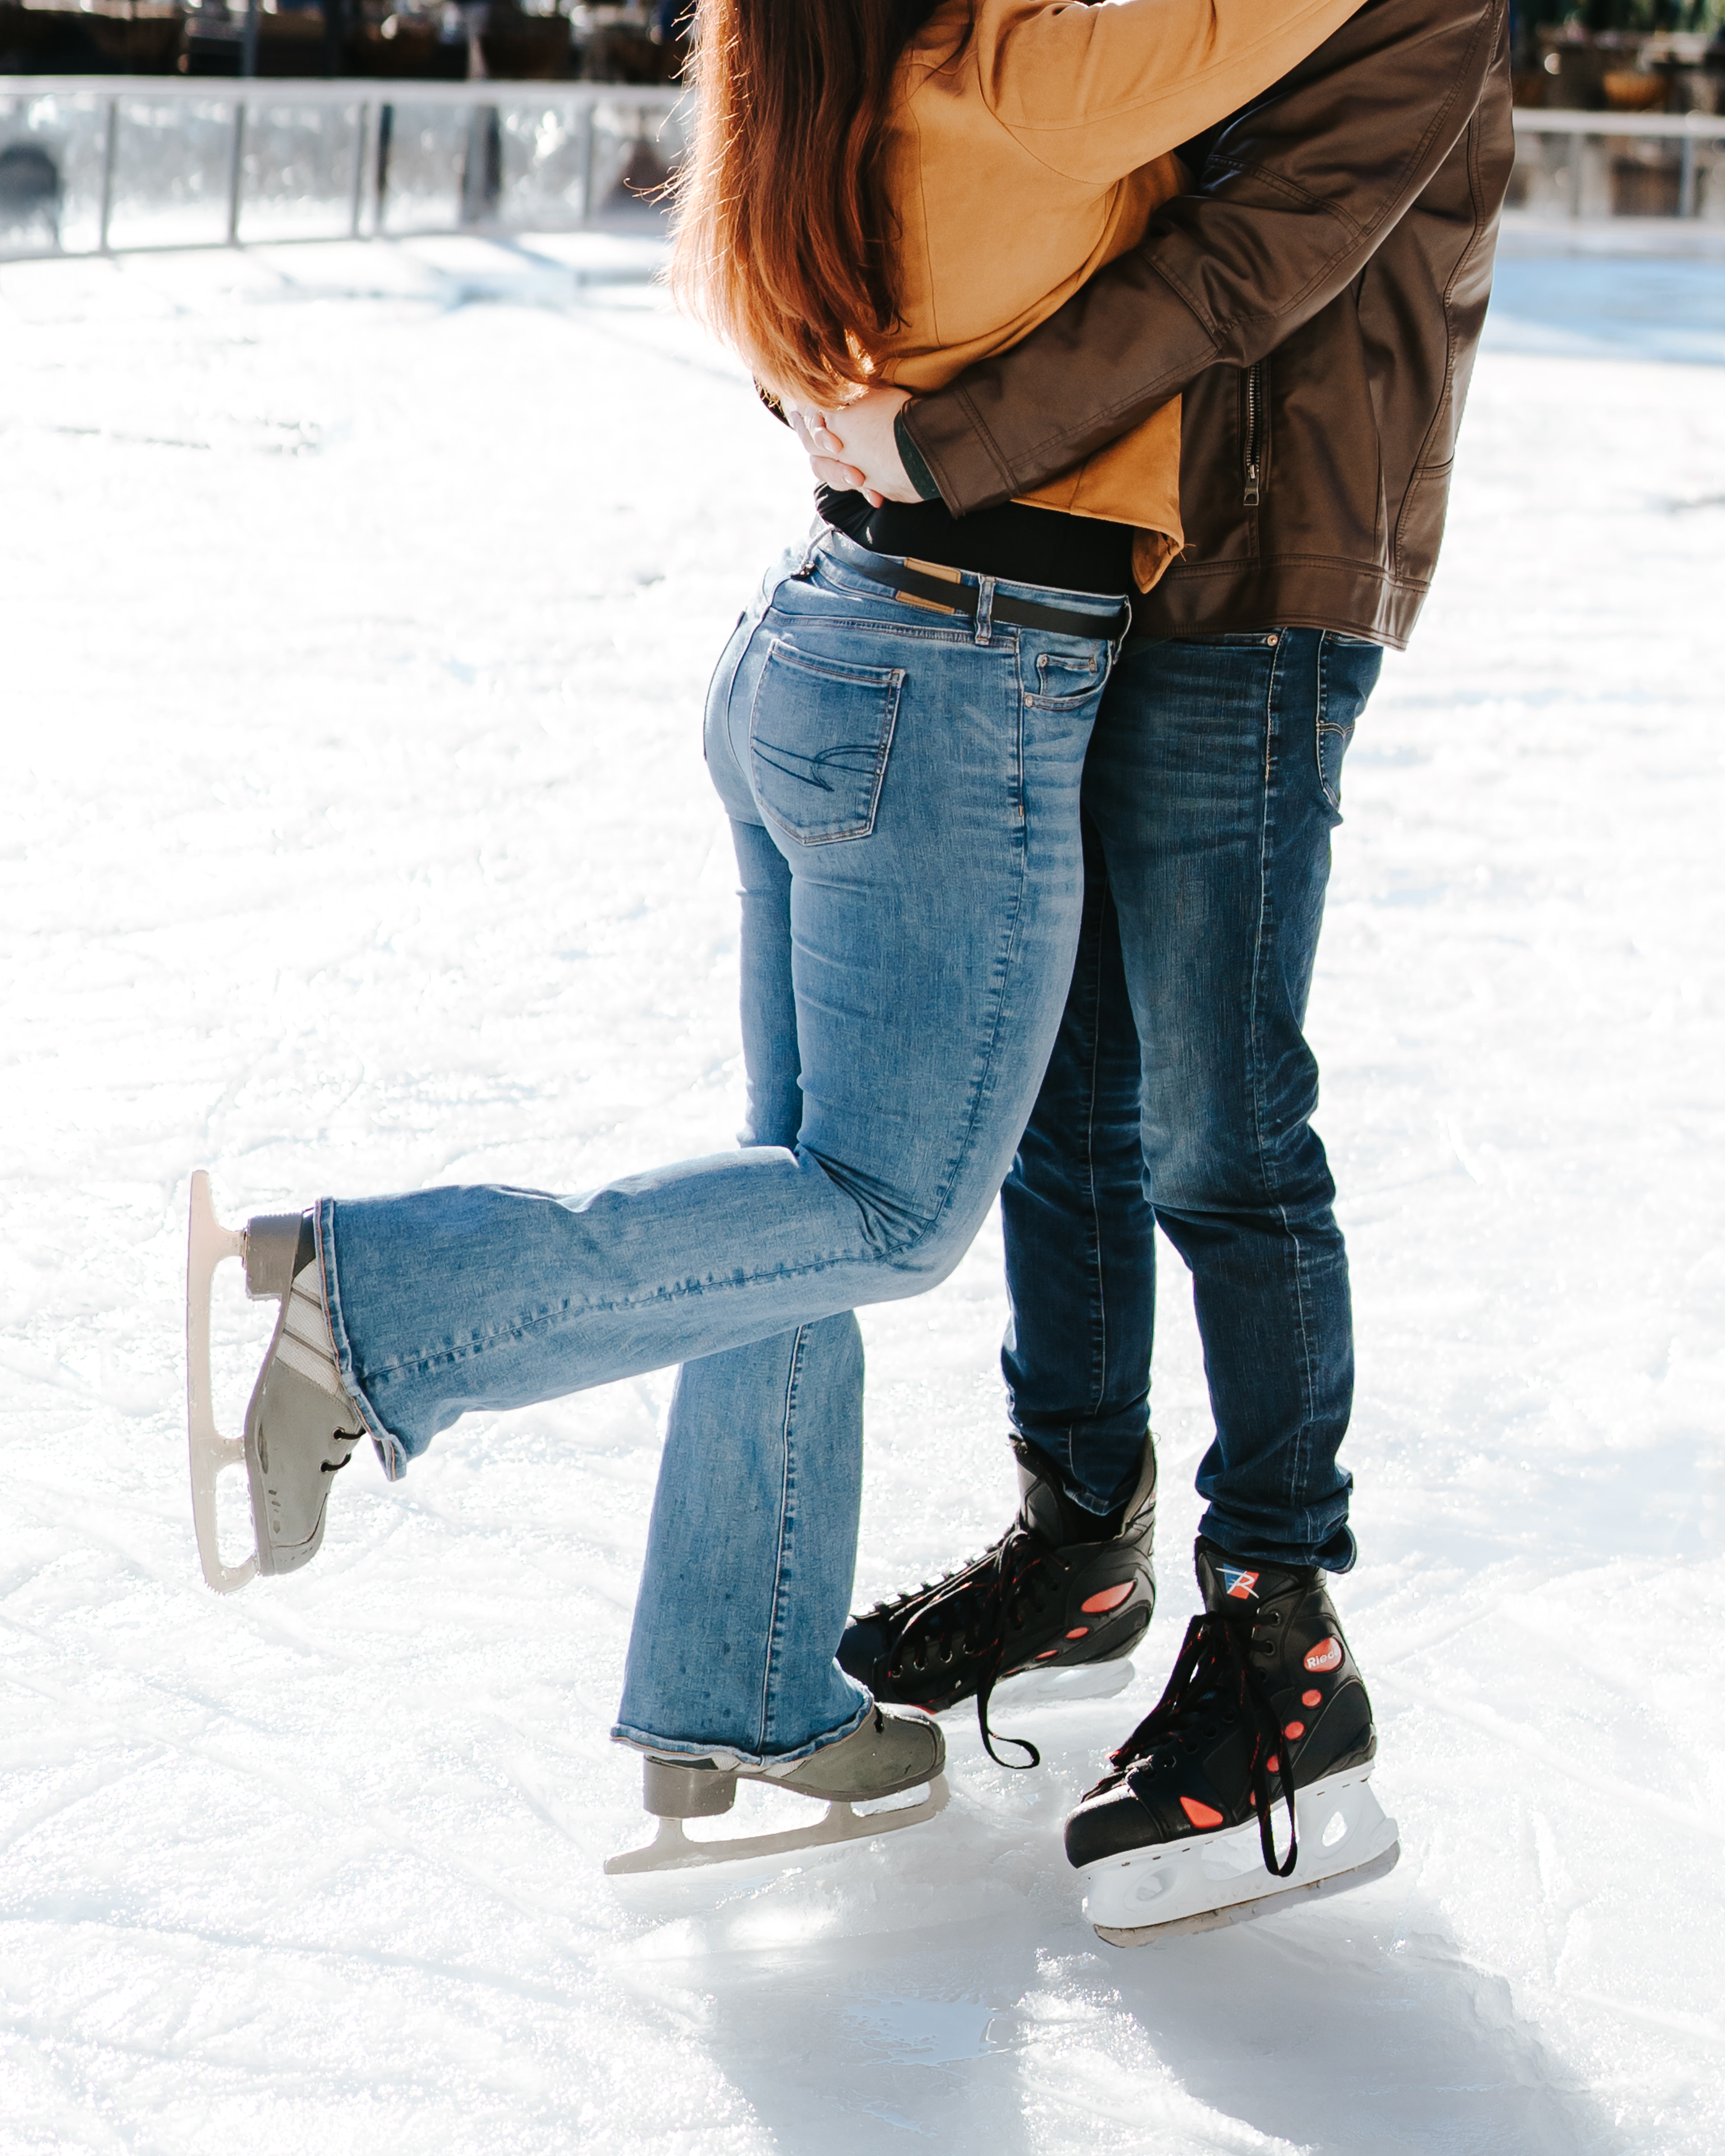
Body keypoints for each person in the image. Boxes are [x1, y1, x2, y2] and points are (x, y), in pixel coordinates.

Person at [190, 0, 1368, 1860]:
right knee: (890, 1215)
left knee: (789, 1196)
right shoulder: (1013, 80)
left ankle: (739, 1684)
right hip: (962, 679)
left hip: (826, 643)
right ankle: (381, 1301)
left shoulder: (794, 94)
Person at [794, 0, 1514, 1928]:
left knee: (1219, 1122)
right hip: (1077, 557)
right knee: (1063, 1090)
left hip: (1258, 577)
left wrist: (941, 438)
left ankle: (1286, 1639)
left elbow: (1243, 258)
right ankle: (1080, 1533)